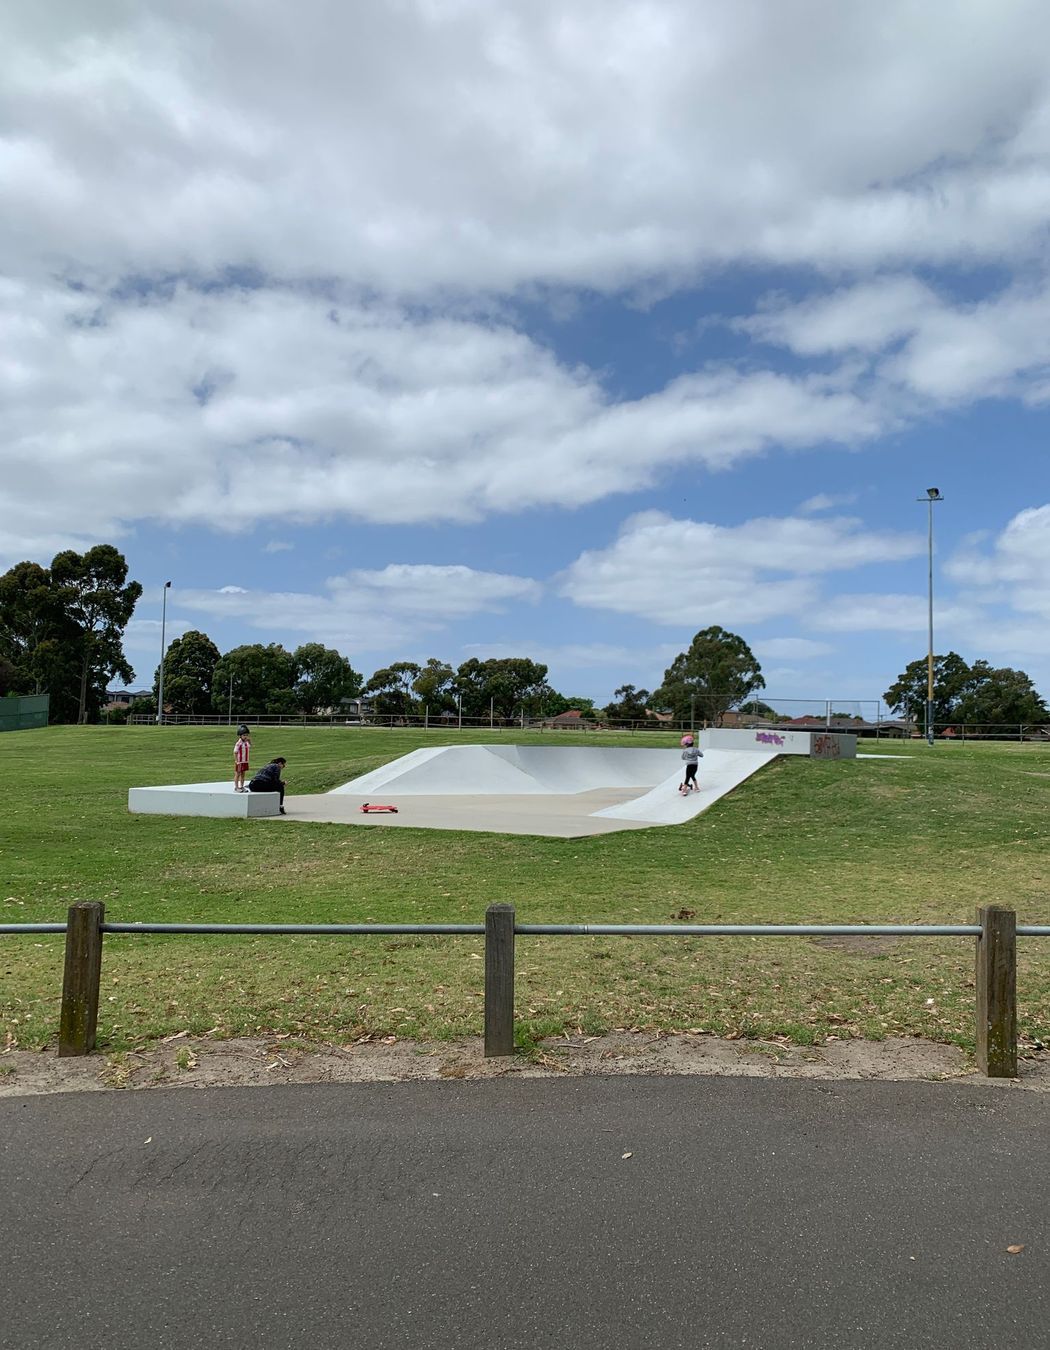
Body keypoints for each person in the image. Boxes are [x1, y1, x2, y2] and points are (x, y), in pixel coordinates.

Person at [233, 728, 251, 793]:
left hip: (245, 761)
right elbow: (235, 752)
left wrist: (249, 741)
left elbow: (249, 746)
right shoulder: (238, 743)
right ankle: (236, 787)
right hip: (239, 761)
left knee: (243, 774)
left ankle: (242, 786)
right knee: (237, 774)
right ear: (240, 736)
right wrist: (236, 761)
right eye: (244, 735)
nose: (245, 736)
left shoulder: (246, 742)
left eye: (246, 735)